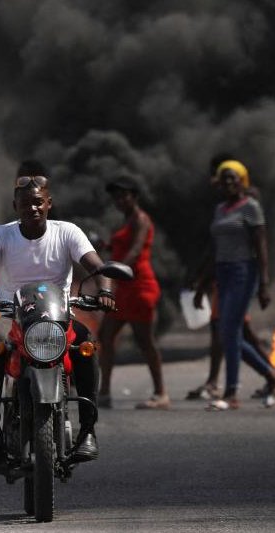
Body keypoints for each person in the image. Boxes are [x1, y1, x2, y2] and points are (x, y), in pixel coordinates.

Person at [0, 161, 115, 470]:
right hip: (13, 315)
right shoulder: (0, 235)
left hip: (59, 315)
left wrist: (106, 291)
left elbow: (96, 265)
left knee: (87, 348)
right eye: (25, 203)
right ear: (15, 206)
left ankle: (88, 430)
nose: (32, 208)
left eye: (38, 202)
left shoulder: (68, 232)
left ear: (49, 203)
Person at [193, 159, 275, 410]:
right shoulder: (220, 210)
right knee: (227, 333)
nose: (229, 182)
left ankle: (231, 393)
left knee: (229, 330)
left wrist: (264, 284)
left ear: (242, 180)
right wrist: (202, 285)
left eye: (233, 178)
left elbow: (261, 247)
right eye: (224, 179)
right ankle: (270, 375)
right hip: (222, 272)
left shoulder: (251, 208)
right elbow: (215, 249)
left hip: (243, 271)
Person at [97, 175, 169, 410]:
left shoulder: (140, 219)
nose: (119, 200)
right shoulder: (126, 220)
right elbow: (121, 247)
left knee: (144, 341)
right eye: (116, 196)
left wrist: (116, 269)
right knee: (105, 336)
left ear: (134, 197)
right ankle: (104, 392)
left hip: (139, 286)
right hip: (124, 287)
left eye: (123, 195)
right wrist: (105, 247)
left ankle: (161, 394)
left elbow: (136, 249)